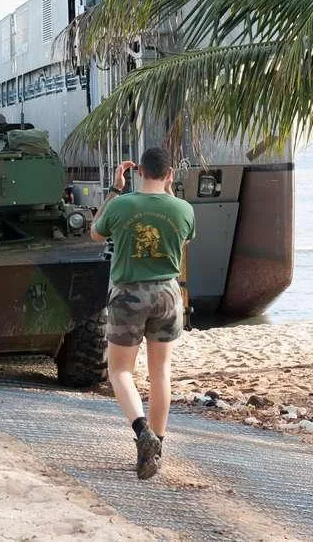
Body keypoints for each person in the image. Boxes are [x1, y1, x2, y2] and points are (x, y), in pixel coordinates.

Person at [90, 148, 194, 480]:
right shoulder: (183, 209)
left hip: (128, 293)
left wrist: (115, 188)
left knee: (120, 371)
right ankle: (157, 449)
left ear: (138, 172)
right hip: (167, 292)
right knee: (160, 371)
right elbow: (183, 238)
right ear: (169, 175)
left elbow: (95, 232)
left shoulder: (121, 205)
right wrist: (170, 195)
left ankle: (142, 432)